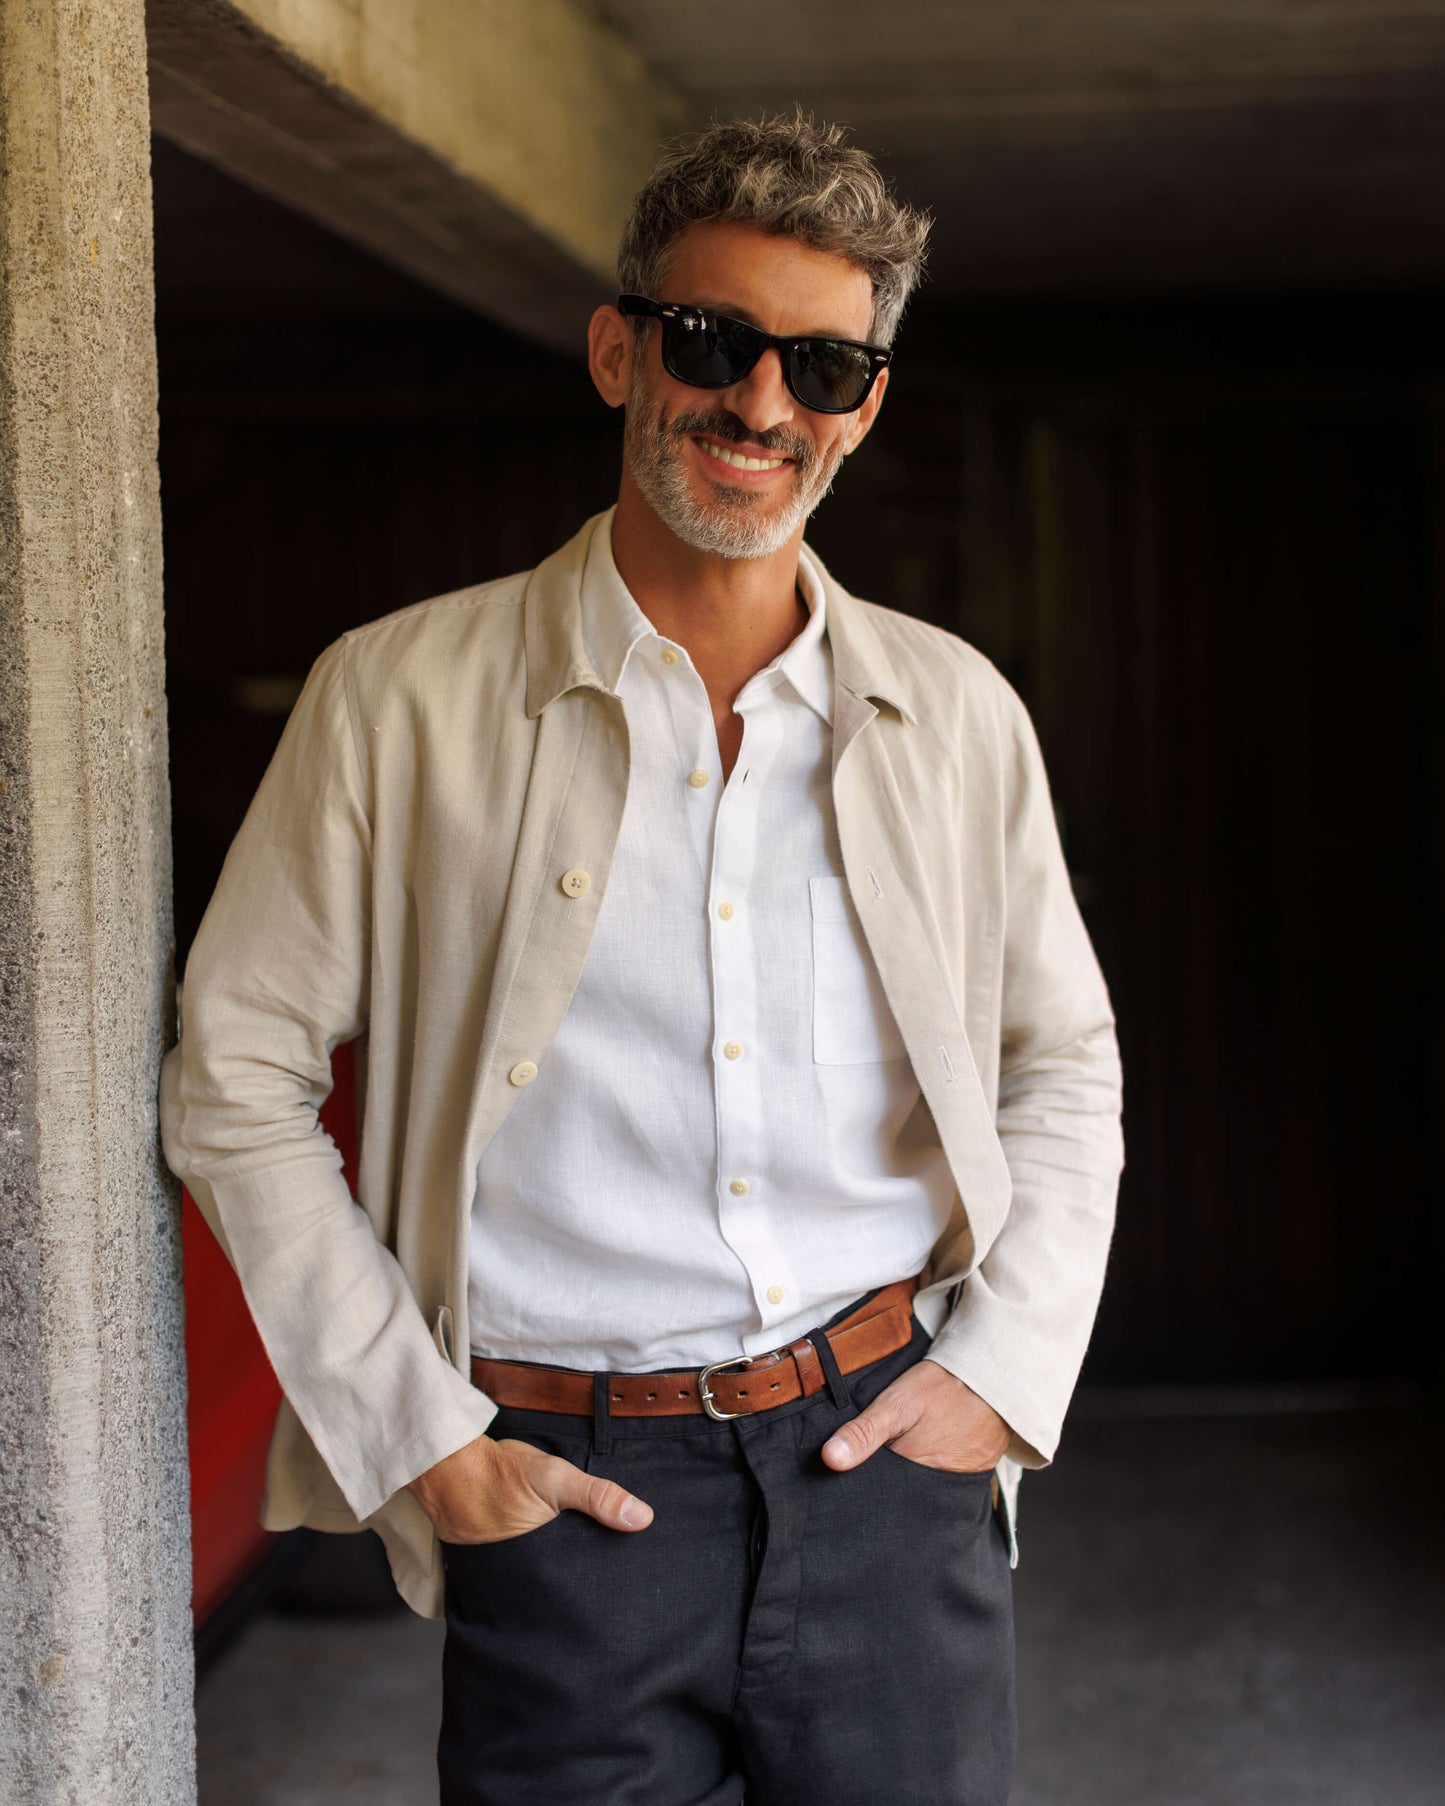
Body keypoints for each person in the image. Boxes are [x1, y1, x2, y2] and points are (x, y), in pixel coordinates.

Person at [161, 113, 1123, 1806]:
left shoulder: (957, 713)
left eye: (821, 366)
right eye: (711, 340)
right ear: (618, 351)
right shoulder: (394, 699)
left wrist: (994, 1378)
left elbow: (1063, 1062)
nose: (761, 403)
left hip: (888, 1462)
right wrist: (426, 1440)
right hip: (564, 1494)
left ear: (863, 405)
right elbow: (233, 1079)